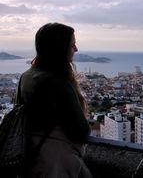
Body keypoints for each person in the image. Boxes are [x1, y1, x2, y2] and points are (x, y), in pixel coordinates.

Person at [18, 23, 92, 177]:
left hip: (29, 154)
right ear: (60, 49)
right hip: (55, 160)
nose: (76, 49)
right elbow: (81, 130)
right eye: (72, 45)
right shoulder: (57, 82)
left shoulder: (26, 76)